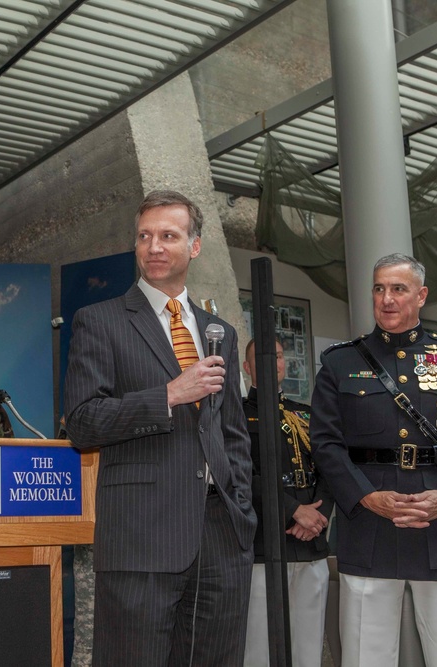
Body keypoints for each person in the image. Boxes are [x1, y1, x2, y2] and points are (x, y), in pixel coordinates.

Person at [64, 190, 256, 666]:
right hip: (142, 534)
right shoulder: (100, 321)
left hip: (221, 535)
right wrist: (168, 395)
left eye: (168, 236)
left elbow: (233, 432)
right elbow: (83, 423)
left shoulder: (220, 333)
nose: (154, 246)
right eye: (144, 236)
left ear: (193, 247)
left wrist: (242, 511)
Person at [309, 253, 437, 667]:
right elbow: (325, 443)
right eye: (379, 289)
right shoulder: (341, 362)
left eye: (398, 289)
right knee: (365, 656)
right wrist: (365, 498)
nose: (387, 299)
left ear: (421, 295)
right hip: (371, 528)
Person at [242, 339, 331, 667]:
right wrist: (293, 510)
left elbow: (329, 469)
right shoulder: (235, 414)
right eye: (261, 357)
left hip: (310, 546)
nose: (271, 362)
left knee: (308, 650)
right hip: (264, 547)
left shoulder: (306, 414)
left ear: (284, 364)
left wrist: (317, 517)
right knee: (259, 652)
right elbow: (240, 477)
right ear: (247, 367)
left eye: (277, 356)